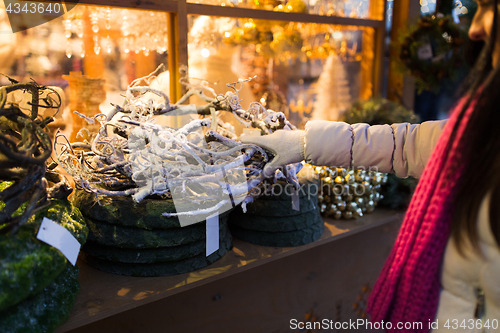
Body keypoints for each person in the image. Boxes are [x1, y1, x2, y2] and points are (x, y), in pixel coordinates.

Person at [241, 0, 500, 331]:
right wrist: (305, 144)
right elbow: (406, 145)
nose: (476, 28)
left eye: (488, 7)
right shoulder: (481, 125)